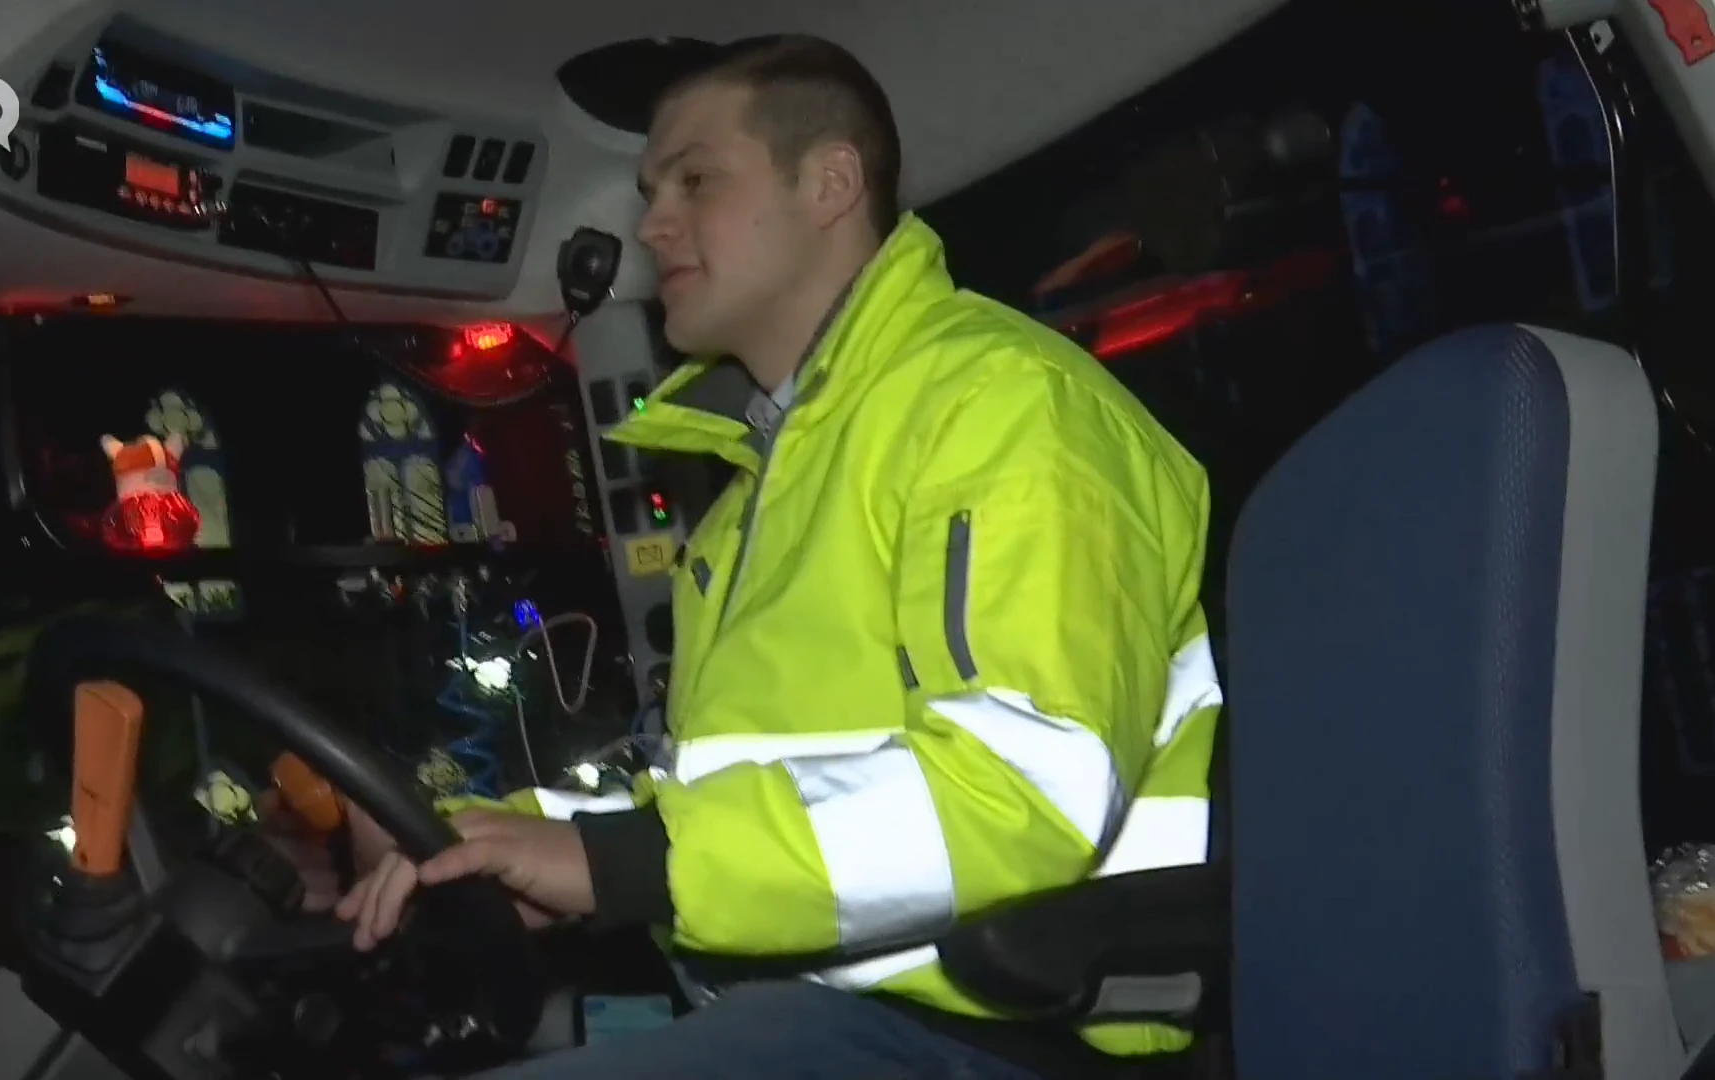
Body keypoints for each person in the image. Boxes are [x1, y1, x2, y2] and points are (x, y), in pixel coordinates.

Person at [313, 34, 1224, 1080]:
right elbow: (742, 792)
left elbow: (1025, 786)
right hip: (805, 1010)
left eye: (694, 180)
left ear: (830, 183)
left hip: (994, 1032)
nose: (652, 222)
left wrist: (620, 866)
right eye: (653, 189)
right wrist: (487, 837)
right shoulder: (764, 493)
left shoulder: (1006, 409)